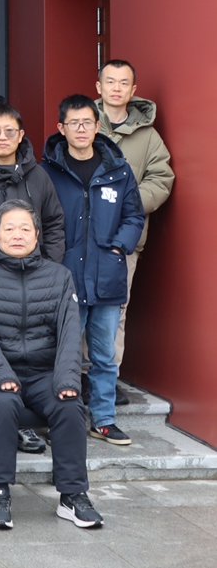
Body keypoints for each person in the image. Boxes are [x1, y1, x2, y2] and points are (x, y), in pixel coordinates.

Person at [0, 201, 103, 531]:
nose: (17, 235)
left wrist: (67, 378)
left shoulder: (59, 276)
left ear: (37, 234)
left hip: (43, 372)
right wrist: (1, 374)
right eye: (9, 229)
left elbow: (70, 333)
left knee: (69, 405)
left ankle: (73, 495)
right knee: (3, 402)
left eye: (25, 228)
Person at [42, 94, 144, 445]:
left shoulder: (118, 170)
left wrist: (119, 246)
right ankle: (62, 419)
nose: (81, 129)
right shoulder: (48, 171)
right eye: (74, 123)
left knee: (104, 356)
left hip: (107, 276)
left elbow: (134, 215)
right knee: (64, 355)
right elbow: (37, 218)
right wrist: (52, 257)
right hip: (65, 276)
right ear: (62, 128)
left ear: (97, 126)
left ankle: (103, 420)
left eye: (87, 122)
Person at [95, 59, 175, 374]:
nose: (116, 88)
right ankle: (79, 377)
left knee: (115, 310)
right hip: (82, 236)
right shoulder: (82, 123)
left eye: (124, 83)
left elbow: (161, 179)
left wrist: (124, 204)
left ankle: (106, 380)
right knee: (77, 306)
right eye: (110, 81)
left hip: (124, 239)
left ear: (133, 90)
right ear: (99, 87)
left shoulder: (148, 136)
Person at [0, 104, 66, 265]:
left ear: (21, 135)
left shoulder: (39, 176)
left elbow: (53, 225)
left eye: (9, 131)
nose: (2, 137)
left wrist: (49, 266)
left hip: (34, 272)